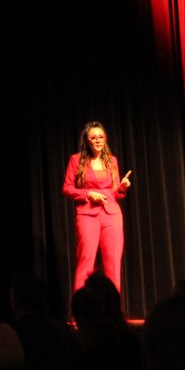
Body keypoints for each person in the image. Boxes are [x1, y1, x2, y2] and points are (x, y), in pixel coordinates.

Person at [62, 121, 132, 292]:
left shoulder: (112, 160)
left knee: (113, 263)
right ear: (87, 139)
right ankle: (78, 310)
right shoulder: (76, 160)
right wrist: (87, 194)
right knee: (86, 261)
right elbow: (67, 188)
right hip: (87, 215)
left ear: (105, 139)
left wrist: (122, 188)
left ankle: (113, 310)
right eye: (94, 137)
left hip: (111, 215)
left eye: (101, 137)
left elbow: (114, 193)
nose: (98, 140)